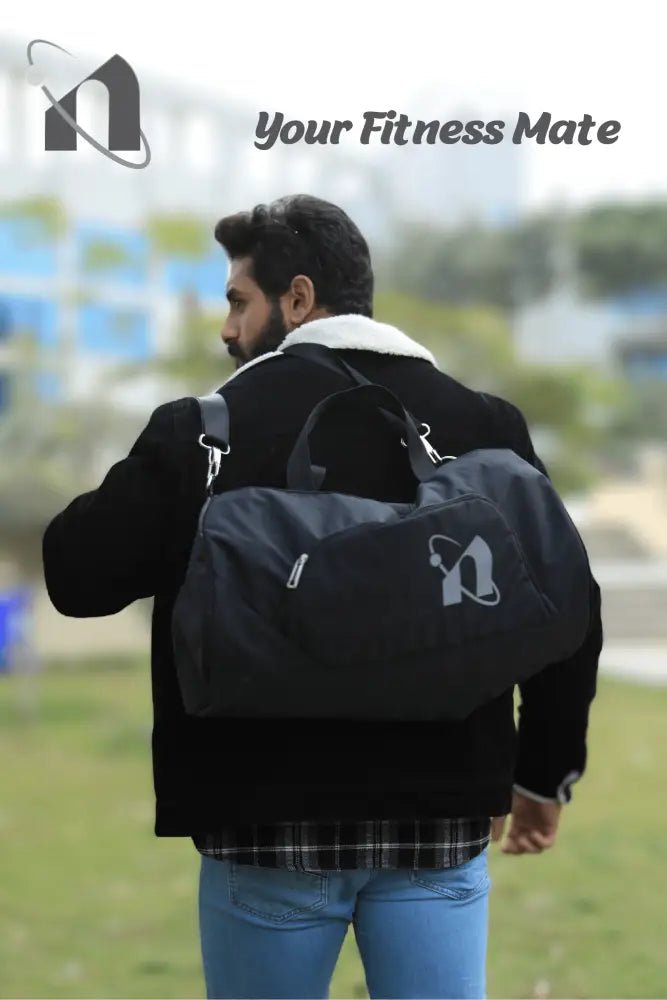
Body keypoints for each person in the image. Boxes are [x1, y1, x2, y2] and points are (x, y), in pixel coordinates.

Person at [41, 194, 603, 1000]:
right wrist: (542, 775)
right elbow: (563, 609)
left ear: (297, 299)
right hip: (437, 824)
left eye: (239, 301)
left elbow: (76, 577)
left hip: (262, 825)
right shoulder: (484, 424)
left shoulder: (206, 429)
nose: (227, 330)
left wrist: (168, 471)